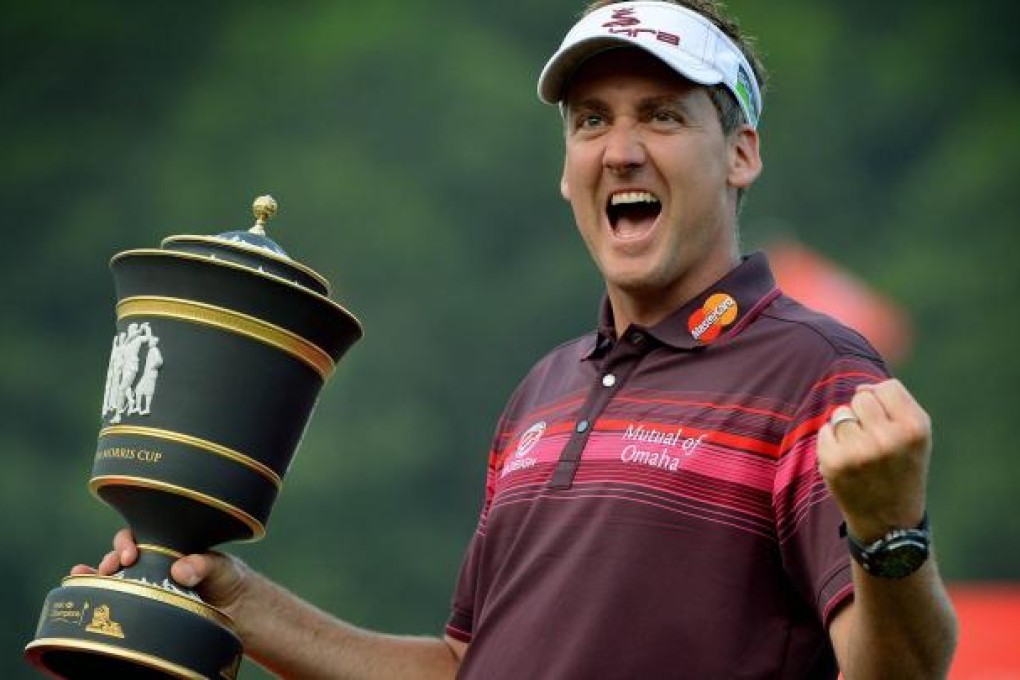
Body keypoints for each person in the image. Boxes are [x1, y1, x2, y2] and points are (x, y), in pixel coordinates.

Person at [76, 0, 958, 677]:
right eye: (590, 120)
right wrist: (237, 602)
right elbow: (465, 666)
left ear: (741, 154)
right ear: (566, 170)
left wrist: (890, 538)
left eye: (661, 114)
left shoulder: (816, 373)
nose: (619, 149)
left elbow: (902, 670)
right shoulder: (546, 389)